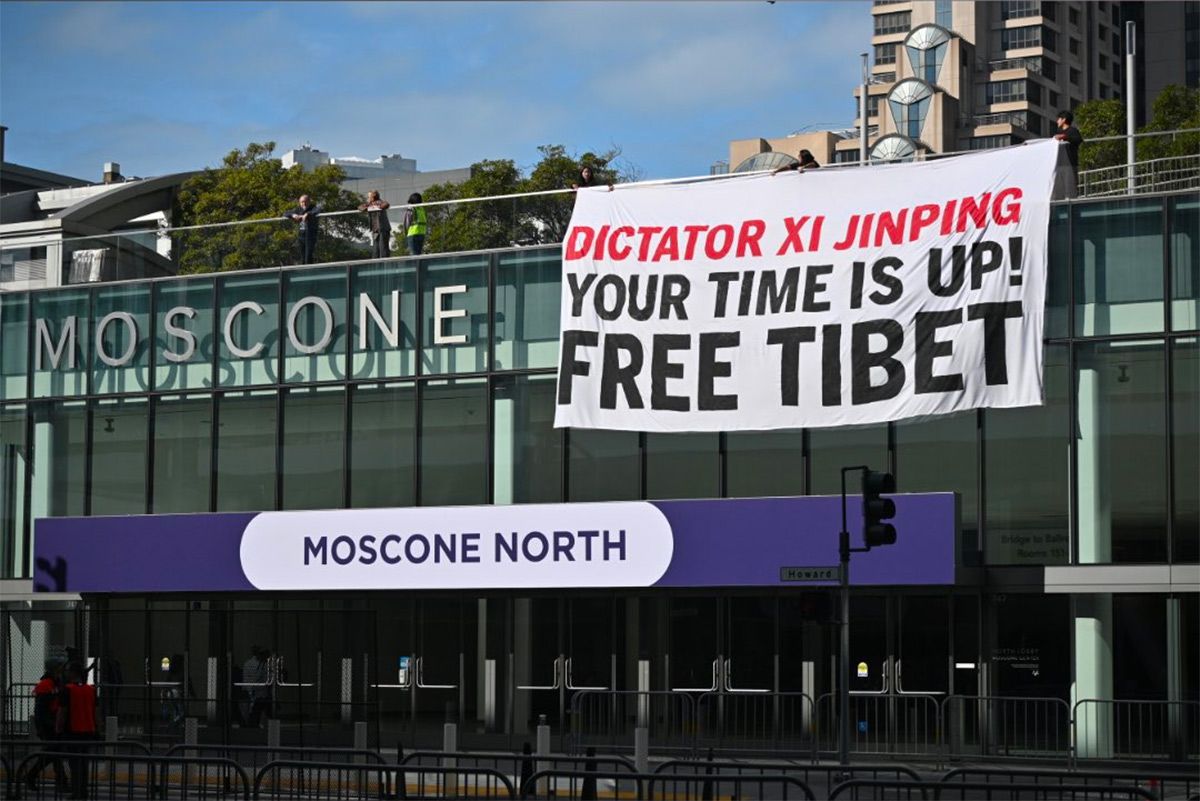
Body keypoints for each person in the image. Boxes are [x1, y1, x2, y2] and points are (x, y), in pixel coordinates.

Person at [25, 662, 69, 793]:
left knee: (54, 754)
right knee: (53, 754)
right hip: (48, 726)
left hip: (53, 724)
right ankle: (59, 781)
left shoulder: (55, 684)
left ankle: (60, 781)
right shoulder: (46, 685)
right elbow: (40, 711)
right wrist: (42, 727)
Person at [57, 662, 99, 800]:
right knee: (84, 762)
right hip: (88, 730)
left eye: (68, 670)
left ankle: (77, 792)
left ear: (73, 673)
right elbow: (96, 712)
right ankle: (83, 790)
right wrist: (98, 728)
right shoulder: (91, 690)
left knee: (74, 763)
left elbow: (63, 711)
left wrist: (58, 728)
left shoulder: (67, 690)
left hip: (73, 730)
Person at [1053, 109, 1084, 197]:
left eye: (1059, 119)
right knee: (1059, 191)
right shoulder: (1058, 132)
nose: (1057, 121)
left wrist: (1065, 137)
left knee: (1070, 191)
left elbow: (1078, 140)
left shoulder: (1073, 130)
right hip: (1059, 165)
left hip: (1070, 164)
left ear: (1064, 119)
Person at [284, 195, 322, 264]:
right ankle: (304, 271)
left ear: (309, 201)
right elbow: (286, 213)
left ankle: (309, 271)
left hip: (310, 236)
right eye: (302, 202)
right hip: (301, 235)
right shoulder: (298, 209)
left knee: (308, 255)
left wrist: (308, 214)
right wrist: (293, 215)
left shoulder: (312, 207)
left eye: (305, 202)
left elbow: (318, 210)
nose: (303, 204)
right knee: (302, 256)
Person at [358, 190, 391, 259]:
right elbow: (360, 207)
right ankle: (376, 265)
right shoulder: (369, 204)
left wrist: (376, 207)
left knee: (383, 249)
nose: (368, 198)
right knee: (376, 250)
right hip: (375, 230)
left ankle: (386, 265)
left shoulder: (380, 202)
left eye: (369, 197)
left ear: (373, 197)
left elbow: (386, 204)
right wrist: (368, 207)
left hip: (383, 229)